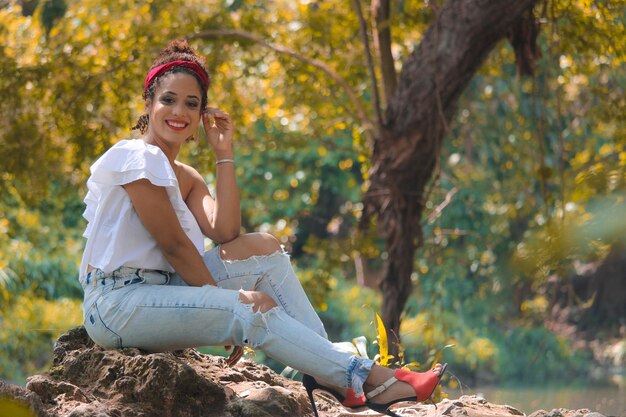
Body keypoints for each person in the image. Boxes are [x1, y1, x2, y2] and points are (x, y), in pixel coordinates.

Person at [79, 39, 447, 417]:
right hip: (117, 304)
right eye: (168, 100)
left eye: (192, 103)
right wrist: (222, 307)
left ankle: (330, 373)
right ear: (149, 103)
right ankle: (368, 376)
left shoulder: (186, 177)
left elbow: (225, 232)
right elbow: (175, 246)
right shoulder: (135, 157)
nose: (179, 111)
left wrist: (224, 153)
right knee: (252, 309)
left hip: (162, 291)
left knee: (264, 248)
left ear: (202, 113)